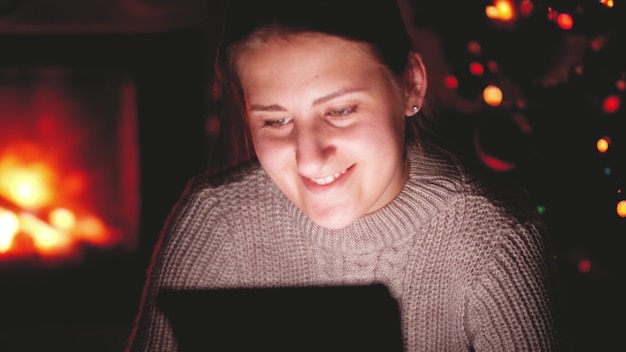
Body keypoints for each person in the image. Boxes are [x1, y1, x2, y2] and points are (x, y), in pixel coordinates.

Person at [126, 0, 569, 350]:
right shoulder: (217, 219)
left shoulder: (494, 240)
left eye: (340, 111)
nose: (310, 160)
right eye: (275, 121)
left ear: (411, 84)